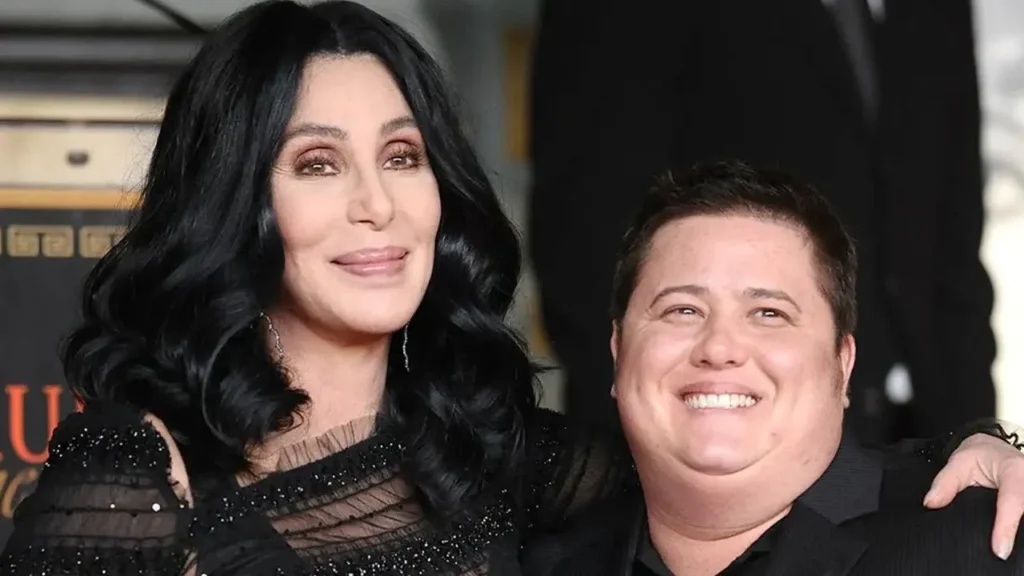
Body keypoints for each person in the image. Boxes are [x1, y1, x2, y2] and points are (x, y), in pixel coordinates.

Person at [0, 4, 1022, 575]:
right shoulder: (135, 470)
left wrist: (979, 448)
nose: (377, 205)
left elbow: (745, 449)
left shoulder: (505, 456)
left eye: (402, 157)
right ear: (235, 200)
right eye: (317, 164)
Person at [528, 0, 994, 445]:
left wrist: (977, 436)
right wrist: (642, 463)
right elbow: (584, 238)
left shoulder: (937, 10)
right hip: (716, 440)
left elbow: (954, 240)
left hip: (929, 430)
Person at [544, 161, 1024, 575]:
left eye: (769, 314)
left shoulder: (980, 545)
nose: (719, 347)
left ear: (843, 363)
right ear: (618, 351)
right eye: (682, 310)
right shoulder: (543, 560)